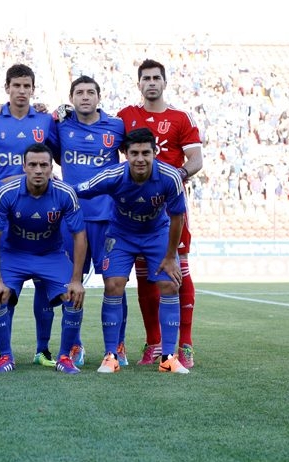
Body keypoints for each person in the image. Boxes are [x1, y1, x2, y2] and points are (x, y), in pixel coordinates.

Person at [73, 127, 189, 374]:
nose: (140, 158)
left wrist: (170, 256)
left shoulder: (170, 177)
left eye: (146, 152)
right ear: (125, 153)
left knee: (170, 284)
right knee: (113, 284)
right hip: (121, 235)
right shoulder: (112, 176)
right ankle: (111, 356)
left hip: (157, 233)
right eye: (134, 153)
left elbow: (178, 217)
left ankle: (168, 357)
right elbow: (77, 190)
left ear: (155, 152)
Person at [117, 59, 203, 368]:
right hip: (136, 208)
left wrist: (176, 176)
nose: (151, 82)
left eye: (156, 78)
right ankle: (154, 343)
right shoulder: (126, 116)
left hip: (170, 205)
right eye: (146, 78)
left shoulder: (180, 118)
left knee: (179, 268)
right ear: (138, 83)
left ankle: (186, 344)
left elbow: (196, 159)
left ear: (164, 83)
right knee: (145, 276)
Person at [0, 63, 61, 368]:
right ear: (7, 88)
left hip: (43, 209)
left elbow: (59, 153)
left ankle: (43, 349)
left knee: (45, 283)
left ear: (33, 89)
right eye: (17, 86)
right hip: (7, 211)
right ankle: (5, 353)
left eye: (27, 86)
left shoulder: (45, 120)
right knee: (5, 286)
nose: (22, 91)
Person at [0, 143, 87, 374]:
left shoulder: (65, 193)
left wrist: (77, 279)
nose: (38, 170)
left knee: (74, 296)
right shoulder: (7, 193)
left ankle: (64, 357)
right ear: (24, 167)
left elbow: (79, 237)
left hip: (50, 254)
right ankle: (5, 356)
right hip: (14, 254)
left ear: (52, 168)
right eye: (32, 164)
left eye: (44, 165)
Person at [53, 75, 127, 366]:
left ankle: (118, 346)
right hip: (72, 219)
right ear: (72, 98)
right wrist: (53, 112)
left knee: (115, 285)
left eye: (90, 92)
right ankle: (74, 345)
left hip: (109, 218)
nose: (85, 97)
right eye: (79, 92)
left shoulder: (116, 127)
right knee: (71, 284)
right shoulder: (60, 126)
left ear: (99, 97)